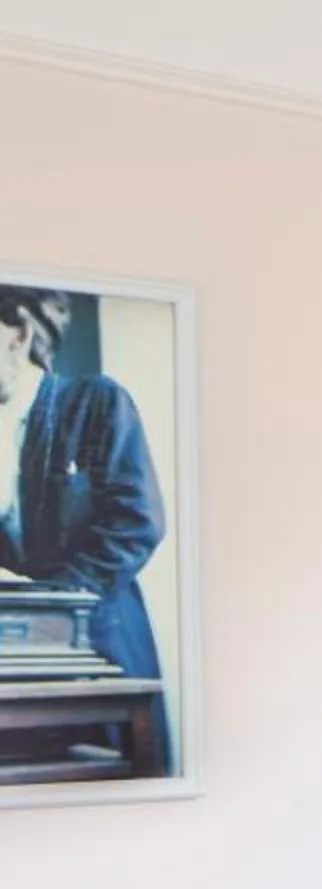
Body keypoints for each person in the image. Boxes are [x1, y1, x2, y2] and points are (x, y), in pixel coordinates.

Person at [0, 285, 169, 691]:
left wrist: (55, 607)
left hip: (99, 648)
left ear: (19, 334)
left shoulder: (97, 402)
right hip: (18, 662)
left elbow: (135, 524)